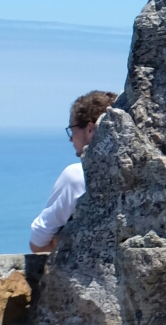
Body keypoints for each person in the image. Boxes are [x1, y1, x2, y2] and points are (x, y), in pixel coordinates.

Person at [29, 90, 117, 253]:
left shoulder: (77, 176)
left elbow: (38, 243)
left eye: (73, 129)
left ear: (90, 129)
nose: (70, 138)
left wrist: (62, 241)